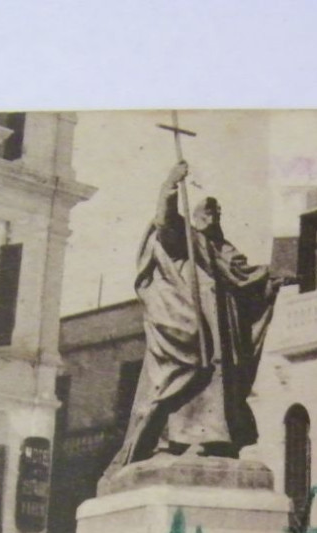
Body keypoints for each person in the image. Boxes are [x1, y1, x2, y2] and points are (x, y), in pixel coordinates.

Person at [108, 160, 292, 469]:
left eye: (216, 212)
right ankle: (177, 441)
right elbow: (164, 222)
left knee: (219, 380)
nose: (212, 216)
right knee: (189, 375)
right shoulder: (185, 239)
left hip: (224, 329)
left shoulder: (225, 251)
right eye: (206, 211)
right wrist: (170, 185)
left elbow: (249, 278)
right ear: (194, 215)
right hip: (194, 323)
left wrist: (273, 280)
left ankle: (214, 440)